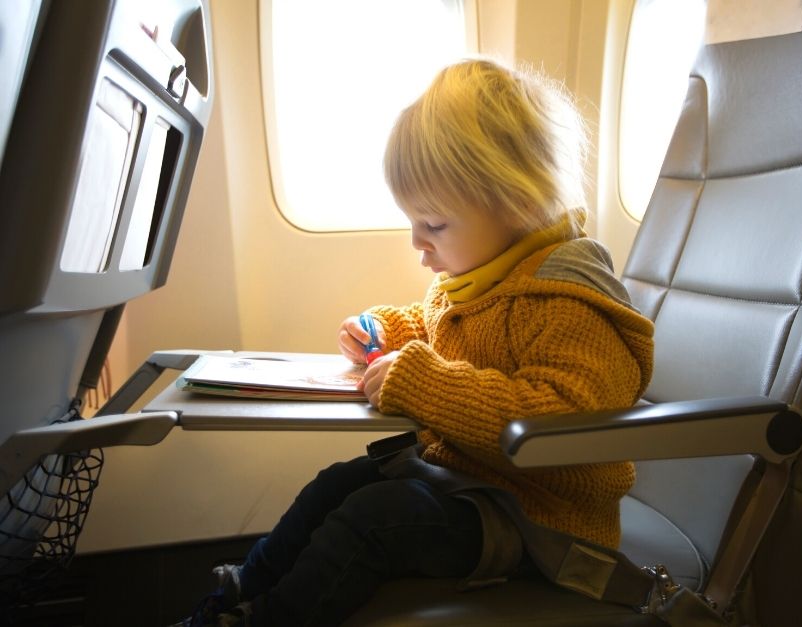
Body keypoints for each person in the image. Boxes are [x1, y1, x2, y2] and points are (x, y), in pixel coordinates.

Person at [176, 57, 654, 627]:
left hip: (540, 523)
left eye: (434, 225)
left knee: (377, 519)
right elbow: (437, 330)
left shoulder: (571, 305)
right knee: (336, 485)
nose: (416, 243)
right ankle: (241, 590)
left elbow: (565, 423)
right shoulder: (480, 276)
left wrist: (421, 381)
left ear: (519, 204)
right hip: (472, 486)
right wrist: (384, 332)